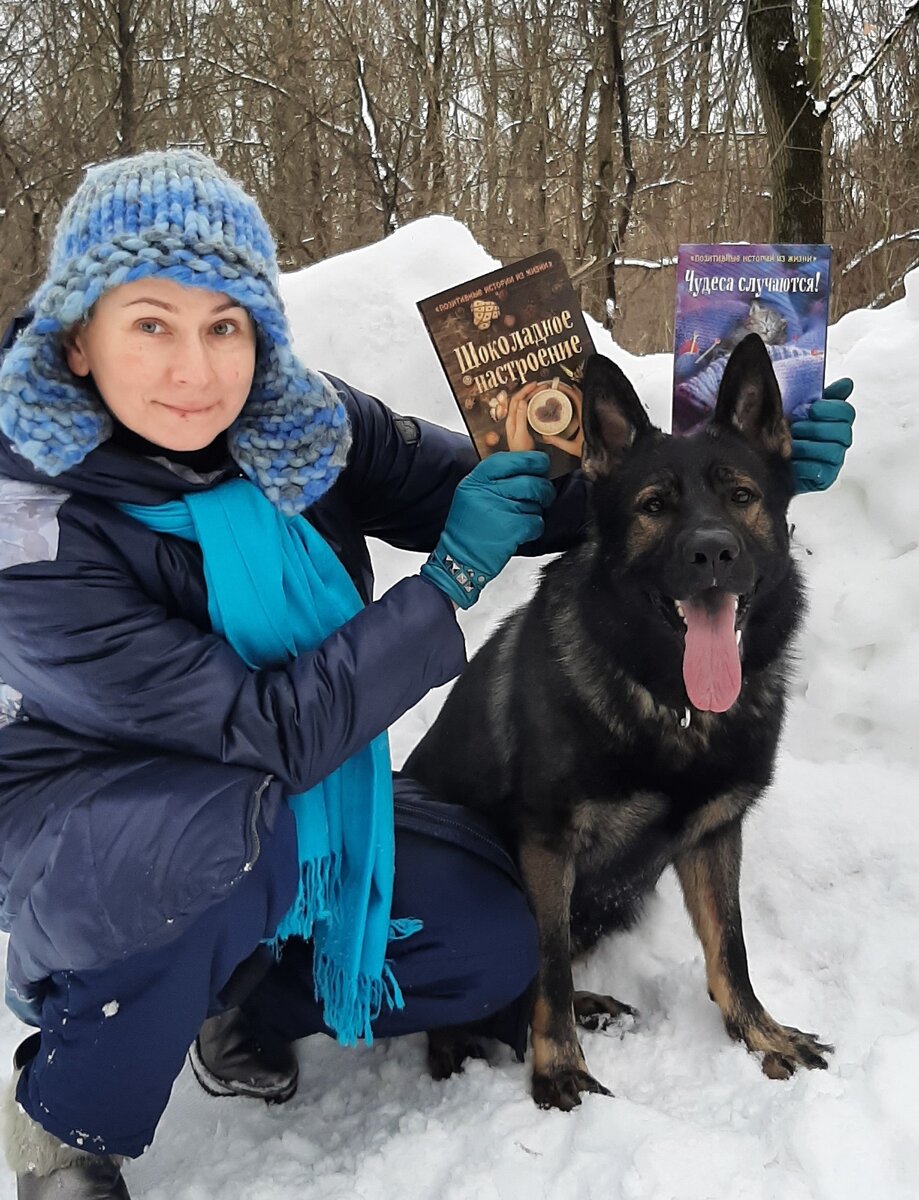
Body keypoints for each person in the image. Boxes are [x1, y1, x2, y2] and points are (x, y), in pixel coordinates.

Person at [0, 149, 854, 1200]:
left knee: (492, 943)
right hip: (110, 825)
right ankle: (69, 1122)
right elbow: (258, 729)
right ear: (80, 338)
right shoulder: (32, 524)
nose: (194, 367)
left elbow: (521, 495)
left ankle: (245, 1005)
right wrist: (447, 579)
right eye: (151, 323)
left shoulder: (297, 426)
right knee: (222, 828)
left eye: (225, 325)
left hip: (304, 798)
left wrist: (739, 486)